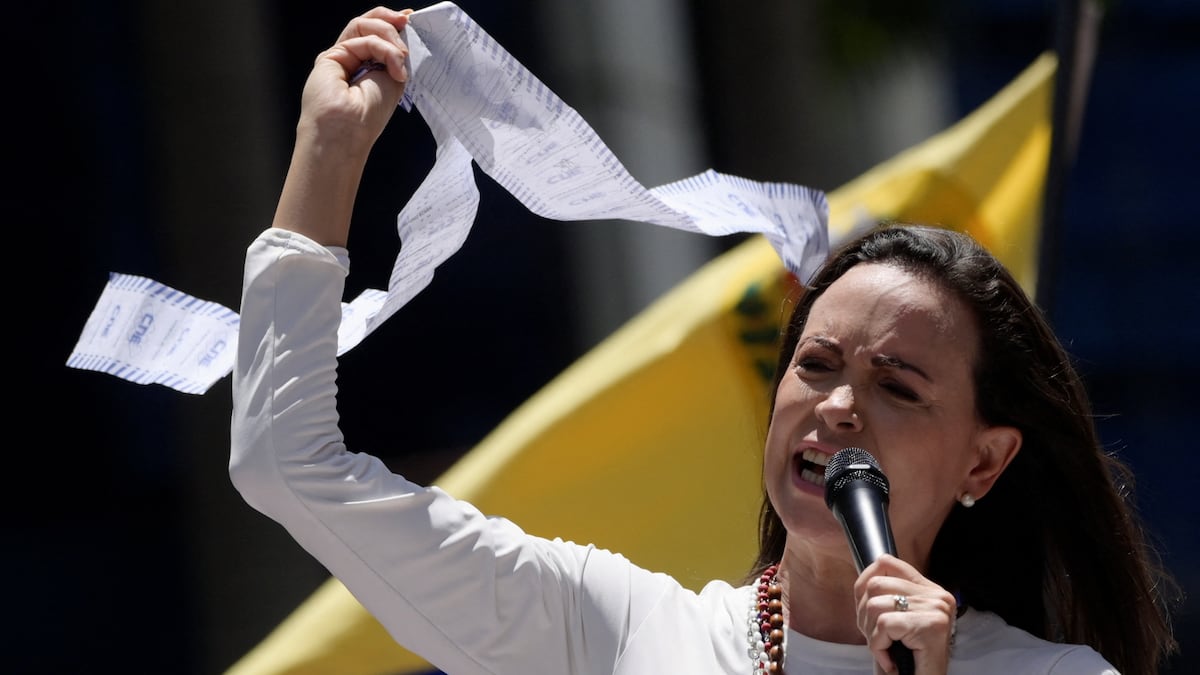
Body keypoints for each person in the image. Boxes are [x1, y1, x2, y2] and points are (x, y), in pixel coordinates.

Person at [229, 7, 1178, 674]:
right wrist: (332, 150)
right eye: (815, 364)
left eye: (899, 386)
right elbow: (286, 463)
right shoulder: (611, 630)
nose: (839, 405)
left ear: (986, 459)